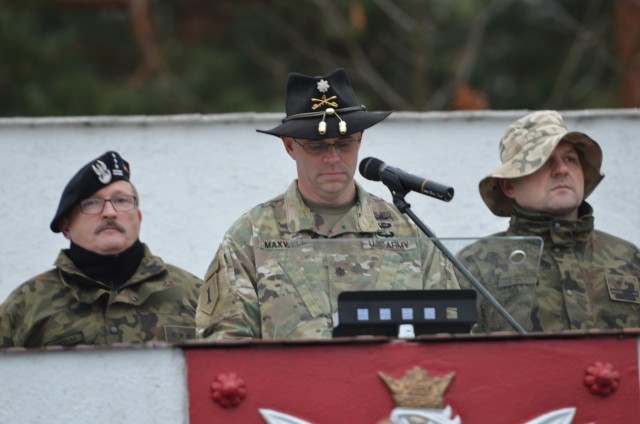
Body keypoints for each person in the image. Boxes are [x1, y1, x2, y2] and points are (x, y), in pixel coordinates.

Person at [196, 68, 460, 340]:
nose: (333, 157)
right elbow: (224, 343)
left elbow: (452, 332)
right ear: (289, 146)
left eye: (344, 144)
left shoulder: (408, 231)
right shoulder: (250, 237)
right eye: (317, 146)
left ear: (360, 140)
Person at [457, 110, 640, 333]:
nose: (562, 170)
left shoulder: (629, 259)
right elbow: (454, 359)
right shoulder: (474, 266)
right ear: (509, 186)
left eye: (570, 159)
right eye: (543, 161)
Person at [0, 151, 202, 347]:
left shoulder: (196, 297)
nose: (109, 212)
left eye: (121, 200)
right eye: (92, 203)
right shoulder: (25, 306)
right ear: (66, 227)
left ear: (138, 219)